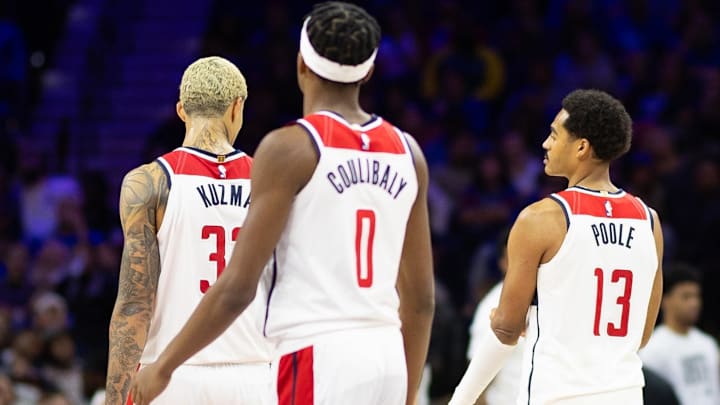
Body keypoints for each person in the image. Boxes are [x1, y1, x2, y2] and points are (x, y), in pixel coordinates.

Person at [129, 2, 435, 405]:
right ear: (369, 70)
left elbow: (238, 288)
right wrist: (409, 392)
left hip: (317, 353)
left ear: (301, 65)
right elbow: (420, 300)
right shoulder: (408, 151)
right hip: (387, 355)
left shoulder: (289, 148)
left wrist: (163, 367)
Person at [450, 89, 664, 405]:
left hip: (557, 395)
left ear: (581, 147)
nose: (545, 144)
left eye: (554, 134)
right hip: (626, 394)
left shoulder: (542, 218)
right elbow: (641, 334)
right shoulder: (649, 221)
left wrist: (461, 399)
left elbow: (507, 330)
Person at [105, 56, 272, 405]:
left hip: (169, 375)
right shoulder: (271, 181)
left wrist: (115, 398)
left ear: (181, 110)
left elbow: (134, 303)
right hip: (255, 374)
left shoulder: (147, 183)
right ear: (237, 107)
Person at [640, 264, 720, 405]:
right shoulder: (652, 348)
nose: (694, 303)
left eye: (696, 296)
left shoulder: (708, 344)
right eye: (686, 296)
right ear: (665, 300)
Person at [465, 228, 523, 405]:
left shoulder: (555, 298)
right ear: (503, 262)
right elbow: (477, 379)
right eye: (517, 256)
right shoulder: (491, 306)